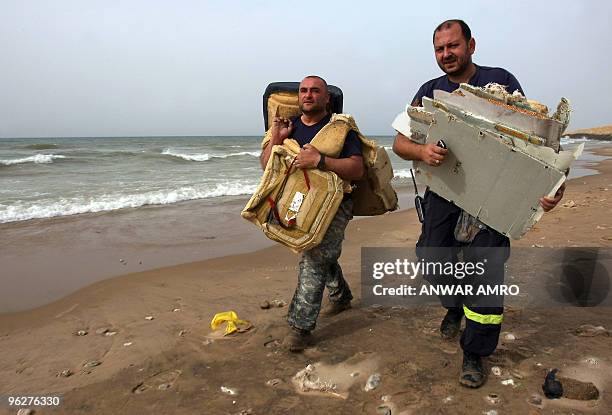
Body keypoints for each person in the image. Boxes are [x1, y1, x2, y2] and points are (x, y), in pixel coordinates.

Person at [392, 19, 565, 388]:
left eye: (452, 46)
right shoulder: (430, 89)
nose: (446, 55)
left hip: (495, 200)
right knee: (432, 259)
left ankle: (475, 353)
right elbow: (399, 144)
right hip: (444, 193)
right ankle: (454, 307)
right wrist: (421, 150)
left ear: (471, 45)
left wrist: (554, 187)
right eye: (439, 49)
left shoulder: (499, 80)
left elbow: (535, 143)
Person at [260, 75, 364, 352]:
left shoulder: (341, 130)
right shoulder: (288, 129)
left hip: (336, 202)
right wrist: (278, 139)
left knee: (313, 256)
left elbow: (357, 169)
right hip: (300, 200)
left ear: (326, 97)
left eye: (315, 91)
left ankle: (300, 327)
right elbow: (266, 166)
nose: (308, 95)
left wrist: (320, 160)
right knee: (318, 251)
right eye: (304, 91)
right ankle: (340, 296)